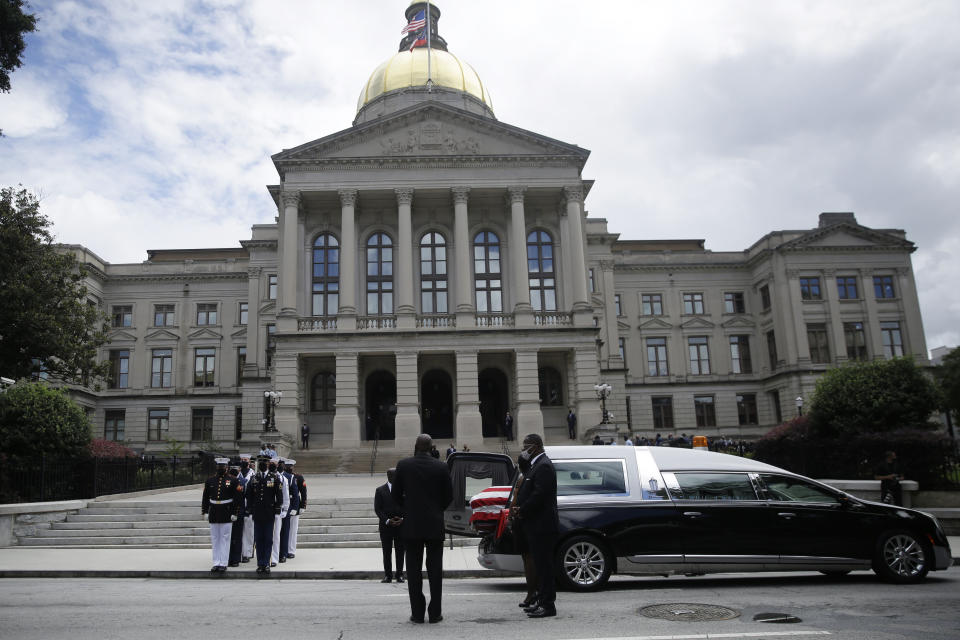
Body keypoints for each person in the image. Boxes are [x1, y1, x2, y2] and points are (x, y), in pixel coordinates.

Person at [391, 434, 453, 624]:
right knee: (435, 571)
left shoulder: (404, 465)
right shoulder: (441, 466)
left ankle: (417, 613)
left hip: (412, 525)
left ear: (415, 446)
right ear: (431, 447)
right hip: (434, 523)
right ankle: (435, 613)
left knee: (413, 571)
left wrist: (407, 510)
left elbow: (395, 495)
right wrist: (436, 510)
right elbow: (449, 496)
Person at [513, 434, 558, 618]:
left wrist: (522, 509)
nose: (524, 449)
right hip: (534, 525)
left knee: (545, 567)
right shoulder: (535, 466)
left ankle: (548, 605)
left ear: (536, 446)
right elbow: (528, 484)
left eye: (527, 446)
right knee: (539, 566)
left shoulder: (544, 466)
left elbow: (540, 495)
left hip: (542, 525)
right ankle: (540, 600)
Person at [201, 458, 242, 572]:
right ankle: (216, 562)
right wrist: (205, 511)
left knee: (225, 538)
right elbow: (205, 497)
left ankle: (223, 562)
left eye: (223, 467)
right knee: (215, 538)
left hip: (226, 511)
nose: (221, 469)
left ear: (227, 467)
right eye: (219, 466)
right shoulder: (210, 481)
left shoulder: (233, 480)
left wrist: (235, 512)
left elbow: (238, 498)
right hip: (214, 511)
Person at [509, 452, 538, 609]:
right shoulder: (529, 476)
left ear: (519, 465)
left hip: (524, 522)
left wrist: (510, 516)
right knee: (529, 559)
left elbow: (515, 499)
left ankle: (532, 593)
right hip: (526, 521)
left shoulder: (523, 478)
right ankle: (532, 593)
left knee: (529, 560)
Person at [245, 454, 283, 574]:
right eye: (260, 462)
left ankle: (266, 563)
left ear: (268, 464)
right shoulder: (254, 477)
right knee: (259, 539)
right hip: (257, 513)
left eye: (264, 462)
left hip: (269, 513)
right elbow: (249, 494)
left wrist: (277, 509)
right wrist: (250, 509)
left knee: (268, 539)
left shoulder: (274, 477)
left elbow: (279, 495)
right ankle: (260, 563)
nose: (262, 464)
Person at [374, 468, 405, 583]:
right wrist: (387, 520)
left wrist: (402, 519)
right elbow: (378, 509)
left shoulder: (404, 489)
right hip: (386, 526)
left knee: (400, 551)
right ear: (388, 476)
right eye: (393, 475)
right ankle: (388, 575)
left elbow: (408, 506)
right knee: (386, 552)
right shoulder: (380, 490)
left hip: (401, 525)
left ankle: (400, 574)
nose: (395, 477)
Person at [279, 459, 299, 562]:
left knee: (286, 531)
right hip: (277, 507)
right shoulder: (275, 476)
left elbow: (296, 494)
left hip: (287, 506)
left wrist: (295, 508)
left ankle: (285, 552)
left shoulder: (291, 477)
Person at [237, 453, 255, 562]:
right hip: (239, 506)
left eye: (246, 459)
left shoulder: (253, 475)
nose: (244, 461)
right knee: (239, 531)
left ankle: (247, 553)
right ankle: (239, 552)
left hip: (249, 506)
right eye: (242, 459)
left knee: (249, 531)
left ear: (249, 462)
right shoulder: (237, 474)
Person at [227, 466, 246, 567]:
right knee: (228, 537)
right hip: (228, 512)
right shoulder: (227, 480)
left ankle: (235, 558)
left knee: (237, 536)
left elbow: (243, 498)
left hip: (239, 512)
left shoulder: (242, 481)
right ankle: (228, 557)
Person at [287, 460, 306, 559]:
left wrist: (303, 506)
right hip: (286, 505)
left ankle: (291, 550)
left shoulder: (298, 477)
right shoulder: (283, 476)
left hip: (295, 504)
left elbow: (303, 492)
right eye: (287, 466)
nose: (289, 468)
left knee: (293, 529)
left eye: (291, 466)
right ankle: (284, 549)